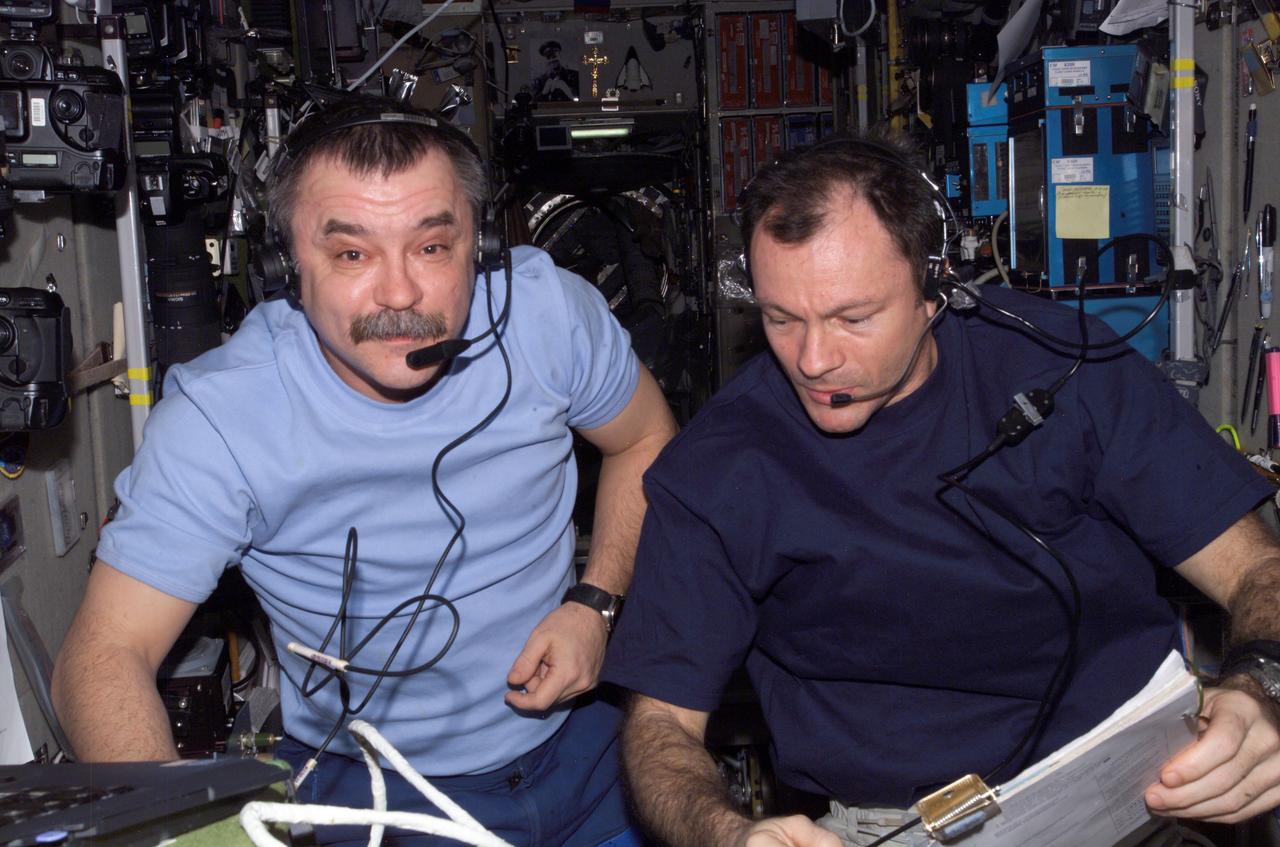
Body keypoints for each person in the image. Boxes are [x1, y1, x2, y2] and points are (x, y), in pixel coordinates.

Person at [602, 135, 1280, 847]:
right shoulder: (717, 468)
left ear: (936, 288)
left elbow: (1256, 568)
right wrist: (728, 834)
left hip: (1134, 778)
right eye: (781, 318)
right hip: (895, 823)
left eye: (853, 318)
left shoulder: (1071, 367)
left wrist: (1261, 686)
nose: (813, 359)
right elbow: (658, 726)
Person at [51, 95, 676, 846]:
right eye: (352, 254)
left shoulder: (548, 316)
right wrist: (184, 836)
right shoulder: (222, 417)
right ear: (287, 268)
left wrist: (595, 605)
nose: (400, 293)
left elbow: (645, 439)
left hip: (590, 750)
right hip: (374, 791)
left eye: (432, 247)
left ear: (480, 247)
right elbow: (102, 657)